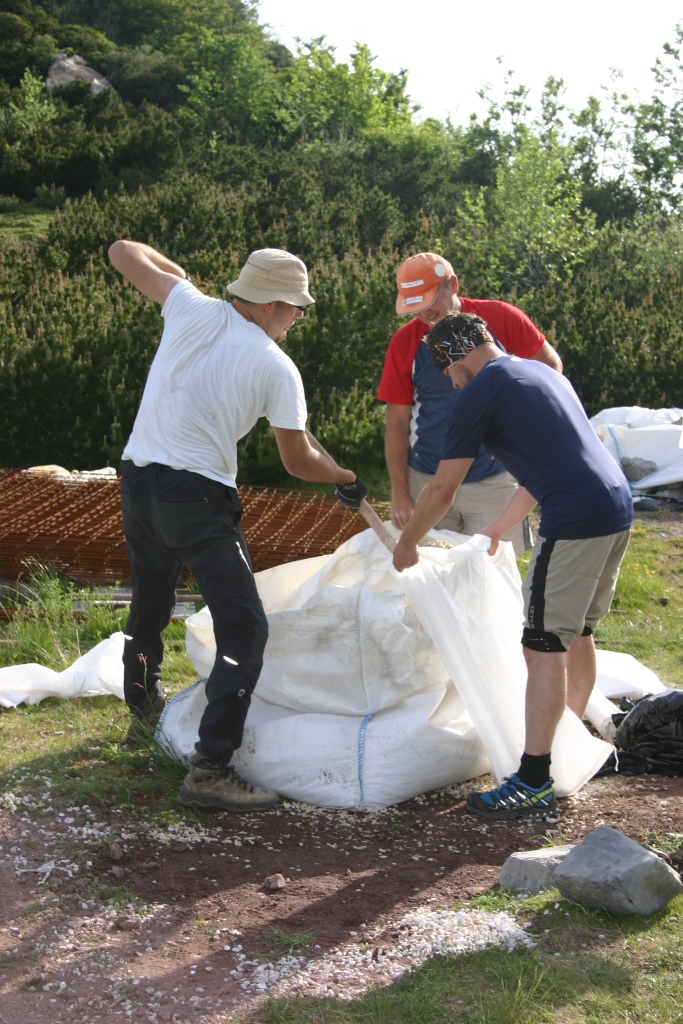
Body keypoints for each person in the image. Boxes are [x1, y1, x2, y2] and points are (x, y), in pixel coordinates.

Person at [108, 241, 367, 813]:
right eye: (297, 308)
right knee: (244, 628)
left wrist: (179, 276)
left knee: (149, 603)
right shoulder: (275, 365)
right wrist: (345, 476)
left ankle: (142, 714)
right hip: (197, 497)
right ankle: (211, 769)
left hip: (139, 483)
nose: (298, 318)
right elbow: (298, 460)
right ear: (272, 304)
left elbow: (122, 251)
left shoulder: (188, 305)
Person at [392, 312, 633, 821]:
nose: (453, 385)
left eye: (449, 373)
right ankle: (571, 748)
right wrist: (500, 526)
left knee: (541, 644)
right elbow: (544, 465)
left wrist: (407, 544)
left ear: (457, 358)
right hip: (616, 506)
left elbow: (442, 488)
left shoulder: (481, 390)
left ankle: (533, 779)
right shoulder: (539, 371)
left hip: (574, 517)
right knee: (577, 631)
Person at [378, 252, 563, 553]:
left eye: (429, 301)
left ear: (452, 285)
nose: (424, 312)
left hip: (494, 481)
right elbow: (396, 423)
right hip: (427, 478)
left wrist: (522, 432)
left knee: (495, 568)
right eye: (415, 306)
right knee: (429, 569)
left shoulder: (502, 317)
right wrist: (400, 493)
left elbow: (550, 369)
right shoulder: (404, 342)